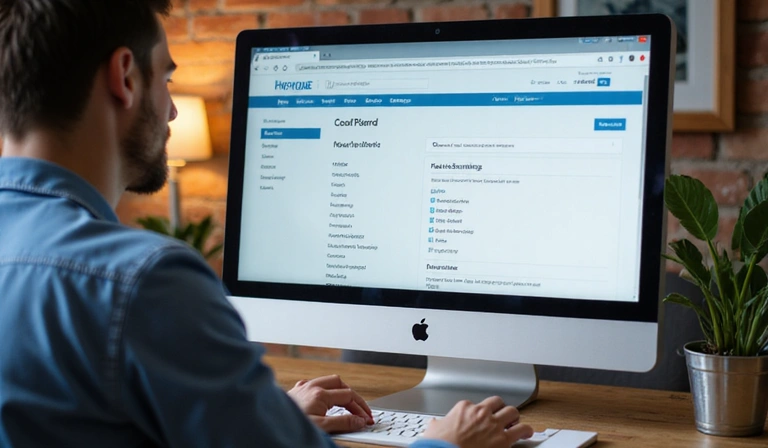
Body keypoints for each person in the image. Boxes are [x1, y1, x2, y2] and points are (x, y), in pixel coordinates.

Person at [0, 1, 534, 447]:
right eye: (165, 75)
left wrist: (262, 418)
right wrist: (444, 443)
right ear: (124, 77)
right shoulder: (142, 283)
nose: (172, 112)